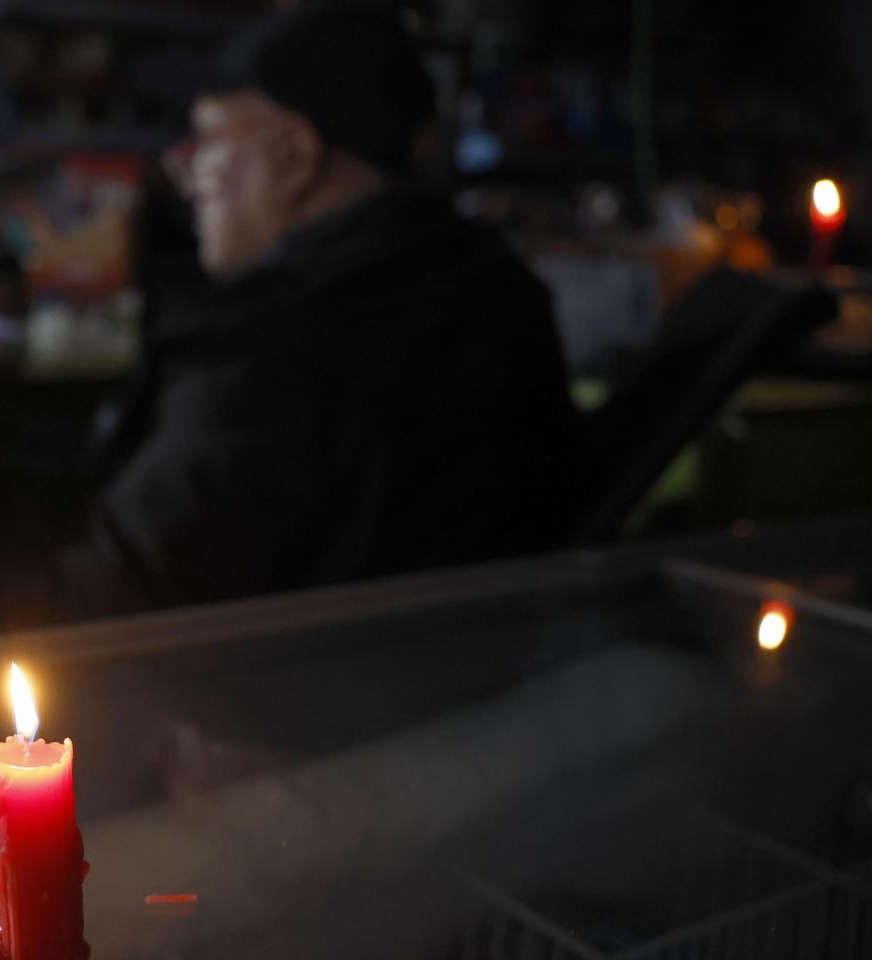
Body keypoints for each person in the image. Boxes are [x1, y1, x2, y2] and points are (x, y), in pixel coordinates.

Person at [87, 2, 585, 610]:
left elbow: (129, 588)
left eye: (209, 138)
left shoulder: (279, 344)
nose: (183, 169)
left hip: (293, 695)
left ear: (295, 154)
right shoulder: (494, 288)